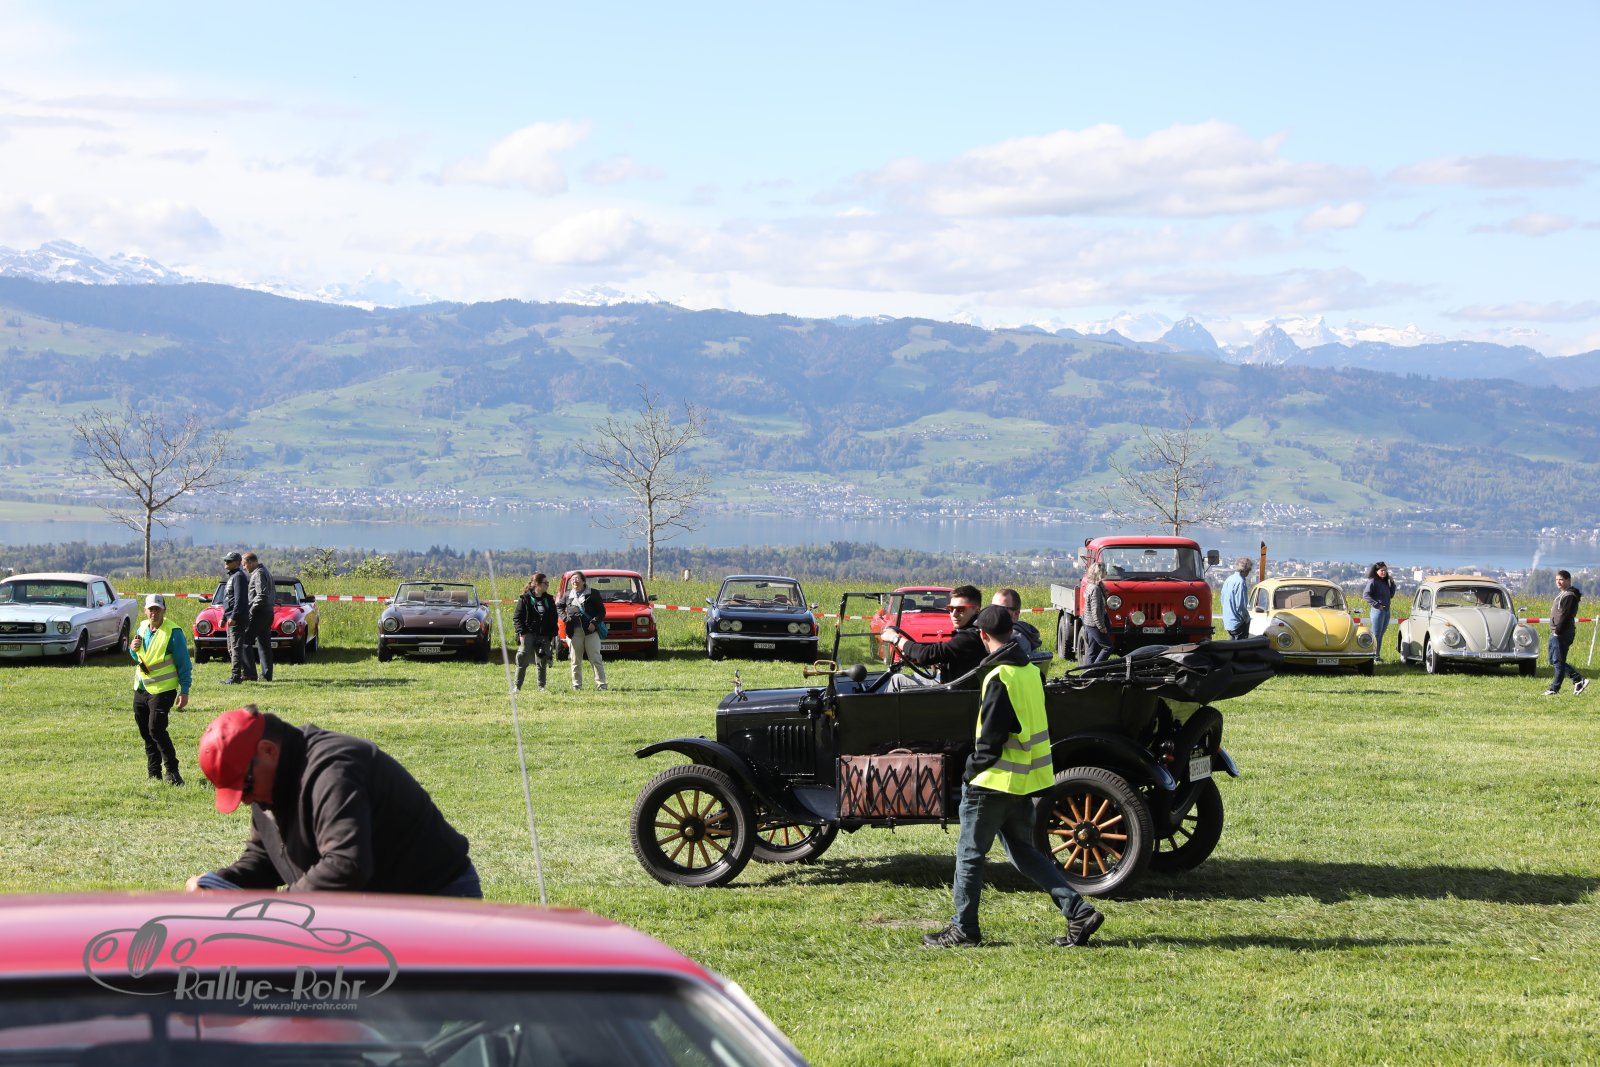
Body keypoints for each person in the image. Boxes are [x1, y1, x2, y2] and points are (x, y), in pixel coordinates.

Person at [922, 605, 1102, 949]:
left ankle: (964, 929)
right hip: (1023, 781)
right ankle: (1079, 911)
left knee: (969, 856)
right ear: (1012, 631)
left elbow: (991, 739)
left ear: (982, 635)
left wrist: (970, 772)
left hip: (991, 781)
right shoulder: (1030, 671)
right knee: (1025, 853)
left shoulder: (998, 676)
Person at [188, 705, 481, 896]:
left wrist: (280, 909)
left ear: (268, 751)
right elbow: (266, 858)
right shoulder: (269, 783)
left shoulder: (332, 772)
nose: (246, 800)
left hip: (437, 898)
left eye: (246, 786)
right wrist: (220, 882)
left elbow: (347, 865)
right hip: (380, 907)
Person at [129, 593, 191, 786]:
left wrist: (185, 690)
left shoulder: (174, 632)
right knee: (146, 732)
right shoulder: (142, 627)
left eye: (157, 609)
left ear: (164, 610)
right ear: (145, 611)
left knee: (156, 729)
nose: (154, 613)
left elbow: (184, 664)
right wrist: (132, 648)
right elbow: (138, 656)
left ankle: (173, 773)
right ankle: (154, 773)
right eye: (151, 609)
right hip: (141, 688)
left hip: (164, 689)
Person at [882, 584, 986, 690]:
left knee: (897, 680)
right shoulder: (974, 630)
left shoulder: (970, 636)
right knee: (913, 676)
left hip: (955, 690)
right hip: (954, 681)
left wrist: (895, 638)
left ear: (977, 610)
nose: (954, 614)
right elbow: (948, 653)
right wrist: (941, 663)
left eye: (960, 609)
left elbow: (925, 654)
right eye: (950, 608)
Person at [559, 571, 608, 691]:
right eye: (572, 579)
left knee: (596, 659)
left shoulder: (593, 593)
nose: (574, 581)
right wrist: (565, 618)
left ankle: (602, 684)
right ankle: (576, 685)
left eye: (577, 579)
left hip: (591, 632)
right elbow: (559, 606)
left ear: (583, 581)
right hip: (574, 632)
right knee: (575, 660)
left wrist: (594, 622)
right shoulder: (567, 594)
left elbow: (601, 611)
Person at [1543, 570, 1588, 697]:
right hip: (1556, 632)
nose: (1558, 582)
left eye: (1561, 579)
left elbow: (1566, 615)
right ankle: (1577, 680)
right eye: (1557, 579)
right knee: (1553, 660)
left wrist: (1557, 632)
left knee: (1558, 661)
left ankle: (1556, 687)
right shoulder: (1562, 594)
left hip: (1562, 633)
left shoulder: (1569, 596)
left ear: (1568, 580)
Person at [513, 572, 559, 691]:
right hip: (528, 633)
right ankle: (517, 687)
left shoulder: (549, 599)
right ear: (537, 584)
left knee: (542, 661)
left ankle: (541, 687)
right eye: (545, 583)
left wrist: (552, 634)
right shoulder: (525, 598)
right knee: (522, 659)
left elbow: (554, 618)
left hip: (544, 635)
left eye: (548, 583)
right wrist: (521, 632)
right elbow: (517, 617)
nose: (547, 585)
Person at [220, 551, 254, 684]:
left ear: (238, 563)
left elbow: (240, 600)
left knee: (235, 648)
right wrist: (224, 617)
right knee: (231, 648)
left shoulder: (239, 576)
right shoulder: (232, 576)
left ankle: (236, 677)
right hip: (230, 617)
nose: (226, 563)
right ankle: (241, 674)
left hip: (237, 619)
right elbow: (228, 599)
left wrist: (233, 616)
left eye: (229, 561)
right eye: (225, 560)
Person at [242, 551, 275, 682]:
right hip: (268, 612)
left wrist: (251, 610)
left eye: (244, 564)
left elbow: (262, 595)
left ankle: (249, 674)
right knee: (264, 644)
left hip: (259, 613)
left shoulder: (259, 574)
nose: (244, 568)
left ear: (251, 562)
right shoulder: (265, 571)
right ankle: (266, 675)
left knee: (245, 640)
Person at [1362, 562, 1396, 660]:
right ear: (1376, 571)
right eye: (1382, 570)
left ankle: (1377, 656)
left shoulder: (1384, 581)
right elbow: (1366, 595)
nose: (1384, 572)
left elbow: (1391, 595)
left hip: (1386, 611)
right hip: (1378, 611)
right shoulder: (1373, 581)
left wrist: (1392, 583)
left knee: (1380, 635)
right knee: (1375, 635)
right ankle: (1372, 657)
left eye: (1385, 570)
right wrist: (1377, 605)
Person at [1081, 562, 1114, 665]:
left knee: (1093, 651)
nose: (1106, 573)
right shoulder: (1095, 589)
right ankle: (1095, 668)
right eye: (1104, 571)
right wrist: (1101, 627)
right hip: (1094, 625)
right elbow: (1095, 610)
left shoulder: (1091, 586)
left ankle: (1087, 671)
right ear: (1099, 573)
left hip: (1089, 623)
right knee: (1108, 647)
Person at [992, 588, 1041, 655]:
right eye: (992, 607)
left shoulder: (1015, 640)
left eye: (1001, 609)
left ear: (1016, 614)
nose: (994, 612)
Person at [1221, 557, 1253, 642]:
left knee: (1232, 646)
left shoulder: (1229, 579)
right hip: (1238, 622)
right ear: (1246, 570)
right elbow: (1240, 606)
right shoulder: (1240, 582)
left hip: (1228, 621)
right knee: (1241, 647)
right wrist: (1247, 619)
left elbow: (1222, 599)